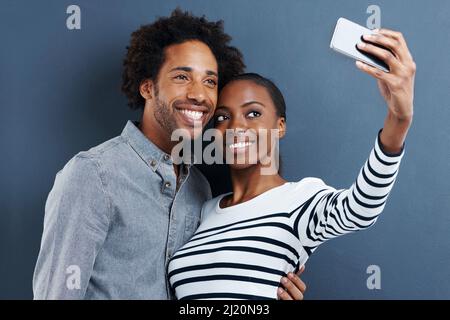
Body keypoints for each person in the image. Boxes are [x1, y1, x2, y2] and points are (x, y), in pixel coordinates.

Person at [32, 9, 305, 300]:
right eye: (182, 76)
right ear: (148, 87)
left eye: (210, 81)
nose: (199, 95)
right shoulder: (94, 175)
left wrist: (265, 297)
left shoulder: (199, 189)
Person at [168, 28, 416, 300]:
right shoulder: (206, 209)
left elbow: (360, 209)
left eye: (253, 113)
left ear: (280, 126)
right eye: (223, 117)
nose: (236, 127)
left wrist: (399, 118)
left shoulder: (299, 201)